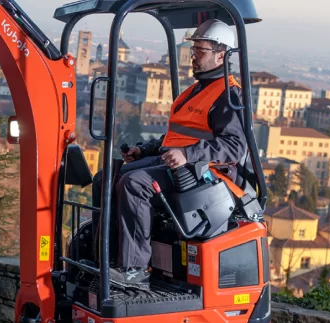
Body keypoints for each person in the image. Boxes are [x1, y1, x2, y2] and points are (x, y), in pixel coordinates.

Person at [106, 18, 248, 289]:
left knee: (135, 184)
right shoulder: (196, 91)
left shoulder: (229, 96)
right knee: (107, 177)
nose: (193, 55)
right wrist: (144, 150)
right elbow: (177, 136)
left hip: (204, 173)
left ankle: (135, 270)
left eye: (200, 50)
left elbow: (233, 147)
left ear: (221, 54)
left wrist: (187, 154)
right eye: (194, 49)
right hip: (178, 163)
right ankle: (110, 257)